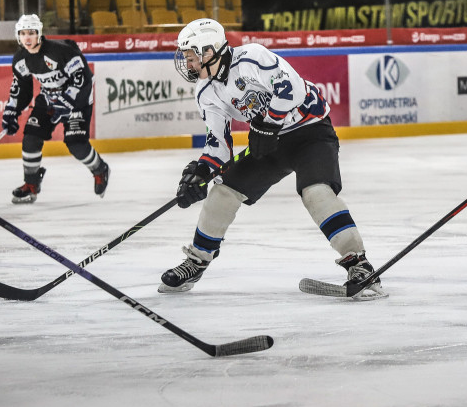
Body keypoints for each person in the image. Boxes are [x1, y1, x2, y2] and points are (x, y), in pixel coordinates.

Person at [159, 18, 383, 298]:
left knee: (316, 192)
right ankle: (197, 261)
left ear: (209, 51)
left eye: (192, 57)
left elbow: (293, 90)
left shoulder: (253, 57)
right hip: (269, 142)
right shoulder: (206, 91)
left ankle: (360, 264)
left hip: (309, 132)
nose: (188, 64)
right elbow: (219, 147)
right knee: (222, 193)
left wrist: (268, 122)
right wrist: (201, 172)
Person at [1, 14, 109, 204]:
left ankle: (100, 169)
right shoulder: (20, 60)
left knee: (76, 144)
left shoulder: (61, 51)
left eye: (32, 33)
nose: (27, 38)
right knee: (30, 138)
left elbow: (83, 78)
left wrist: (67, 101)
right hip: (49, 98)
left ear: (40, 34)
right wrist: (11, 112)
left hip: (78, 100)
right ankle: (31, 184)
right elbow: (22, 90)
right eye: (23, 33)